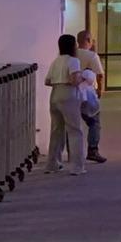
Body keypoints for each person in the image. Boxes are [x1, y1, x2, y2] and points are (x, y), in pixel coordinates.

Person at [44, 34, 86, 175]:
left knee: (56, 131)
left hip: (55, 94)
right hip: (69, 95)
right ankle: (77, 166)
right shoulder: (74, 61)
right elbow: (74, 80)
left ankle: (52, 164)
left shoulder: (56, 61)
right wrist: (83, 77)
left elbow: (47, 81)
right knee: (75, 131)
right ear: (72, 46)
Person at [76, 30, 107, 163]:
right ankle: (93, 150)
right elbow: (100, 74)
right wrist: (100, 90)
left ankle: (73, 152)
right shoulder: (92, 55)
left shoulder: (71, 55)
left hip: (72, 93)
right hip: (88, 94)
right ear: (88, 40)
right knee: (94, 122)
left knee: (72, 124)